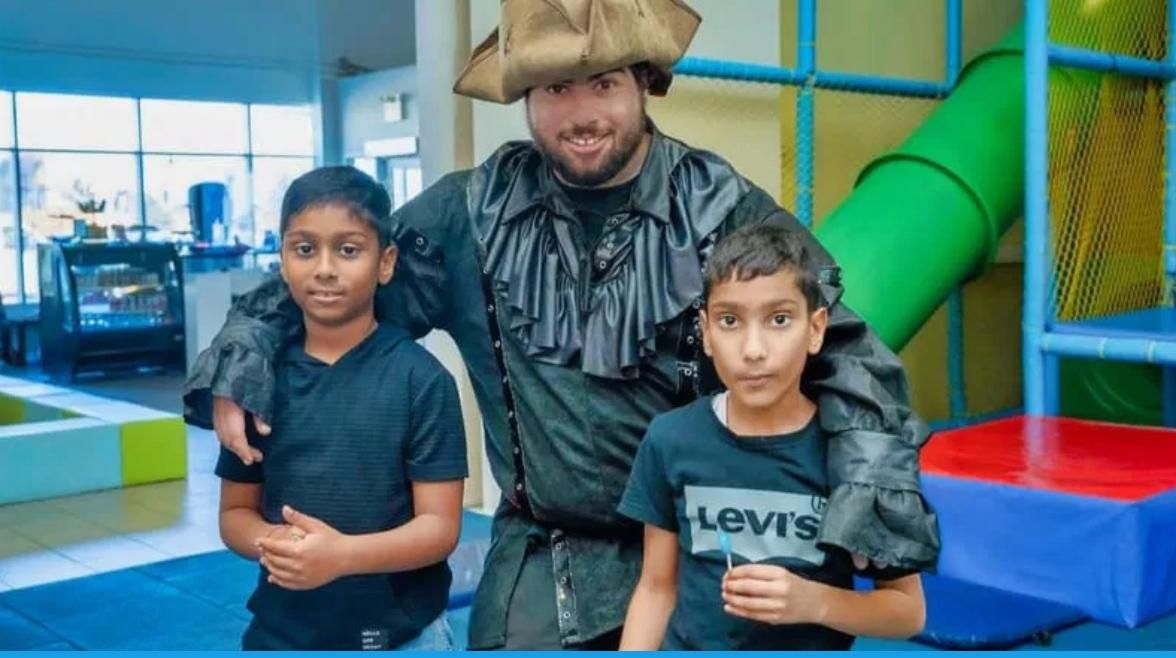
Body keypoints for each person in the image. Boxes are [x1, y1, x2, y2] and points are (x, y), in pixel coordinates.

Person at [186, 0, 938, 650]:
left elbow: (844, 348)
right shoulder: (469, 213)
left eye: (604, 84)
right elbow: (336, 285)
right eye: (553, 88)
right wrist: (246, 354)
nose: (580, 114)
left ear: (643, 83)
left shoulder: (718, 205)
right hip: (538, 560)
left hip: (701, 553)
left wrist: (869, 515)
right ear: (524, 97)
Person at [618, 224, 926, 650]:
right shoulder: (670, 439)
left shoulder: (860, 452)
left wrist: (813, 602)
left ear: (816, 329)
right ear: (706, 333)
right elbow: (655, 589)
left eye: (779, 319)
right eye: (730, 321)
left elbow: (907, 611)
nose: (753, 349)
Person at [214, 166, 468, 651]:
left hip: (403, 634)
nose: (325, 268)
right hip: (281, 632)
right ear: (283, 260)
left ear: (386, 262)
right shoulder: (256, 383)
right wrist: (278, 544)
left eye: (348, 250)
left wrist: (343, 556)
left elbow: (439, 528)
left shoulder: (422, 380)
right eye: (304, 249)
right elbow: (235, 513)